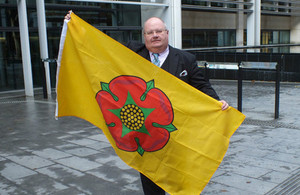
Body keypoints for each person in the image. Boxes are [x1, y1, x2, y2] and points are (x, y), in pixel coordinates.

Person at [64, 13, 229, 195]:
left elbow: (202, 85)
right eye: (150, 32)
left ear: (167, 33)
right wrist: (77, 27)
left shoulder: (186, 59)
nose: (155, 35)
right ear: (144, 36)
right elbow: (102, 45)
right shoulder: (132, 53)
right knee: (151, 174)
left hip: (176, 131)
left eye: (159, 31)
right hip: (145, 133)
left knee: (178, 173)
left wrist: (216, 102)